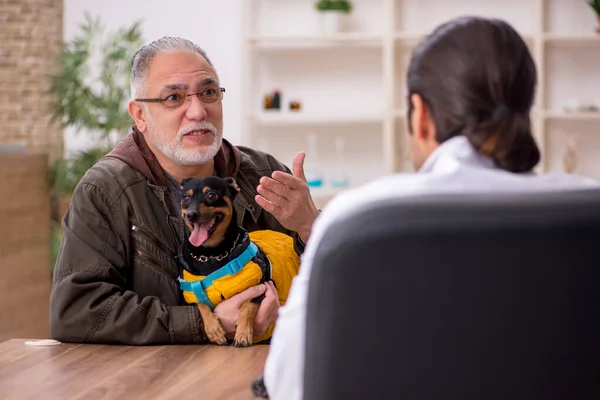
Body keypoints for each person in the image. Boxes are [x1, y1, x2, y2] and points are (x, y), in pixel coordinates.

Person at [263, 16, 599, 400]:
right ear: (525, 110)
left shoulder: (356, 218)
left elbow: (291, 382)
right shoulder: (589, 208)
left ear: (419, 116)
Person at [49, 36, 320, 344]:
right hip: (155, 382)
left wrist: (311, 226)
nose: (198, 112)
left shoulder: (261, 174)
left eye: (208, 93)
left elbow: (336, 287)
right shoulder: (106, 191)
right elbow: (76, 311)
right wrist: (205, 323)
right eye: (174, 98)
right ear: (139, 115)